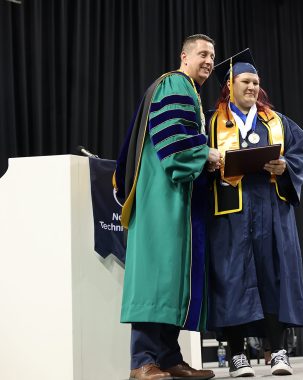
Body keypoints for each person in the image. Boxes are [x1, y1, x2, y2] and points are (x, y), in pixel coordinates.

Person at [113, 34, 219, 380]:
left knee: (172, 278)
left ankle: (168, 357)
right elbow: (175, 148)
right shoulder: (175, 84)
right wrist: (207, 154)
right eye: (203, 53)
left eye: (213, 56)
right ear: (184, 57)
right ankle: (141, 361)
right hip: (162, 197)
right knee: (156, 277)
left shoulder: (188, 89)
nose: (209, 61)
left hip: (176, 198)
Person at [206, 49, 303, 377]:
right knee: (232, 279)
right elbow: (197, 159)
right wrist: (212, 162)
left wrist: (285, 166)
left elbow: (300, 150)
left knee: (274, 275)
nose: (252, 87)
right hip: (229, 213)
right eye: (246, 81)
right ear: (229, 84)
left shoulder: (277, 122)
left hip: (271, 209)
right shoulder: (211, 121)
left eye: (256, 82)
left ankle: (278, 351)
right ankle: (237, 354)